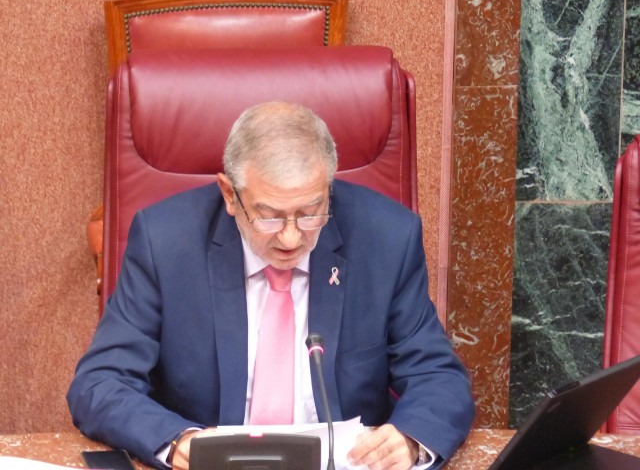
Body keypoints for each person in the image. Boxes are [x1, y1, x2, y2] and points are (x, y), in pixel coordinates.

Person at [67, 102, 475, 470]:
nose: (292, 238)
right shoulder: (165, 241)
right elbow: (100, 382)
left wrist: (410, 439)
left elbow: (438, 376)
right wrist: (176, 441)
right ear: (230, 195)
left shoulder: (387, 238)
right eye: (270, 216)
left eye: (311, 212)